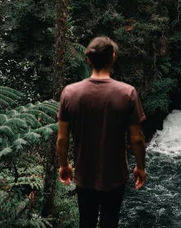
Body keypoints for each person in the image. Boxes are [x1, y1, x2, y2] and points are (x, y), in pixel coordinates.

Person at [57, 36, 147, 228]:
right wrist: (140, 167)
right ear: (113, 57)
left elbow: (62, 138)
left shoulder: (70, 93)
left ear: (88, 59)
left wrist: (64, 165)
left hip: (84, 173)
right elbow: (137, 139)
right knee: (110, 222)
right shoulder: (127, 93)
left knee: (86, 221)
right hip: (115, 175)